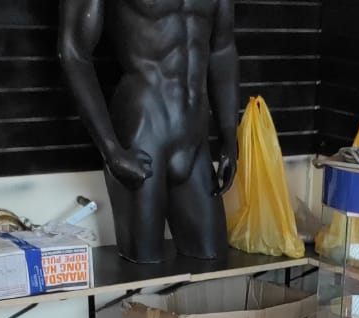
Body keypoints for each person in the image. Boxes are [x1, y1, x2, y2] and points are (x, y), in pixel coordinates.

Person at [59, 0, 239, 264]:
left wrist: (229, 137)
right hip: (142, 134)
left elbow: (222, 49)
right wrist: (111, 149)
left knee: (214, 261)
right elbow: (73, 52)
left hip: (194, 139)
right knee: (143, 271)